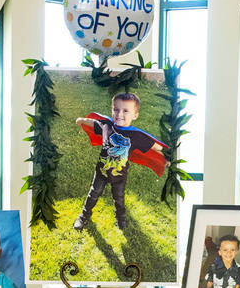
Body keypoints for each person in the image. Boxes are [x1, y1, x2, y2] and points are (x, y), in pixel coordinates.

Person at [72, 92, 168, 232]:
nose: (119, 114)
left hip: (120, 176)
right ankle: (84, 216)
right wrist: (81, 120)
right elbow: (94, 123)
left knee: (119, 199)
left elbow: (155, 146)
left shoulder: (137, 136)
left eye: (125, 111)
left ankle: (121, 218)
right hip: (102, 172)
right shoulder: (106, 125)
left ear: (135, 115)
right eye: (116, 109)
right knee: (93, 193)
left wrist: (166, 156)